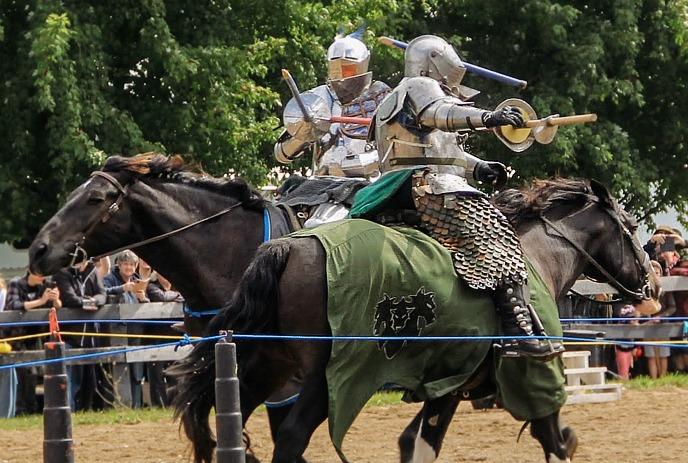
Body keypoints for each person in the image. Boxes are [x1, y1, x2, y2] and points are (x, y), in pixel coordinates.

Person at [353, 35, 563, 359]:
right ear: (435, 64)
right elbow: (442, 114)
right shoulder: (418, 86)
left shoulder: (390, 102)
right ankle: (518, 333)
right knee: (498, 239)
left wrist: (480, 167)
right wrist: (490, 118)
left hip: (393, 188)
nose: (452, 82)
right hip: (426, 186)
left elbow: (442, 150)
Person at [274, 29, 391, 225]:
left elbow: (392, 148)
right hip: (318, 186)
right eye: (336, 69)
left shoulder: (384, 98)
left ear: (362, 65)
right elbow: (281, 154)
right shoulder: (317, 98)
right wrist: (303, 132)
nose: (341, 75)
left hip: (368, 185)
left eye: (348, 69)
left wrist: (363, 163)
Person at [6, 271, 62, 414]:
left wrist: (55, 300)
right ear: (31, 272)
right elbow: (13, 305)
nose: (42, 278)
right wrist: (40, 301)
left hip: (36, 337)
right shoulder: (16, 283)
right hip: (16, 337)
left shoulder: (45, 286)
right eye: (40, 275)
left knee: (33, 376)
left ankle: (31, 410)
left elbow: (58, 306)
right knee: (20, 376)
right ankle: (19, 411)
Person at [53, 260, 107, 410]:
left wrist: (95, 300)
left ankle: (85, 409)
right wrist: (90, 303)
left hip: (90, 335)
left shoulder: (92, 271)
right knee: (71, 378)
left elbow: (102, 294)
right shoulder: (63, 273)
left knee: (90, 378)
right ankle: (68, 410)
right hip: (70, 334)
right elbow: (70, 299)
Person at [643, 260, 675, 378]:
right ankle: (654, 379)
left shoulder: (666, 289)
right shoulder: (644, 289)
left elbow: (672, 307)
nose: (655, 275)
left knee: (663, 355)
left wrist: (660, 317)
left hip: (663, 325)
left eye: (657, 272)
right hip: (648, 325)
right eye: (653, 272)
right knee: (651, 355)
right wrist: (648, 318)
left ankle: (663, 379)